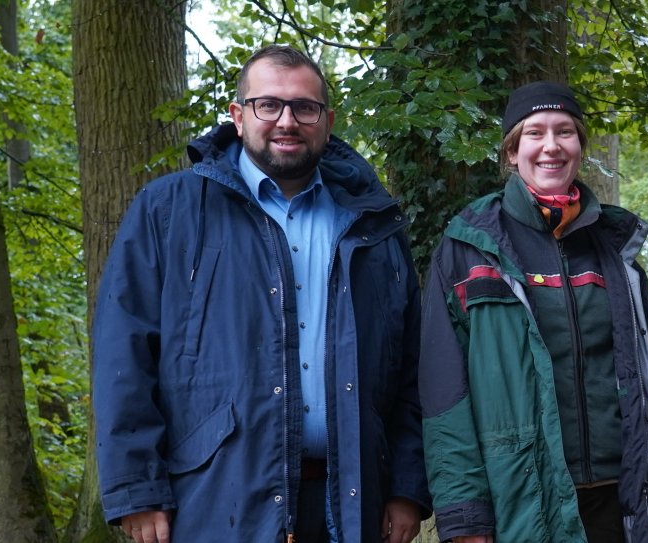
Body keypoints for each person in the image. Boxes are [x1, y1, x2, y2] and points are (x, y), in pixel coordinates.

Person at [92, 44, 429, 543]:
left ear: (328, 120)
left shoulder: (370, 224)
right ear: (238, 114)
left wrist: (406, 487)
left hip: (353, 501)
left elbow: (409, 367)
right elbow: (124, 354)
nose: (286, 120)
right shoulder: (169, 210)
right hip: (214, 499)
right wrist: (137, 489)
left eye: (304, 107)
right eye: (268, 104)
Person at [418, 81, 648, 542]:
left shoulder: (615, 248)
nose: (551, 146)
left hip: (617, 502)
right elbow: (444, 392)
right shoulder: (469, 246)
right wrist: (465, 515)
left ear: (580, 147)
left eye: (565, 132)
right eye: (534, 133)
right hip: (522, 500)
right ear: (511, 152)